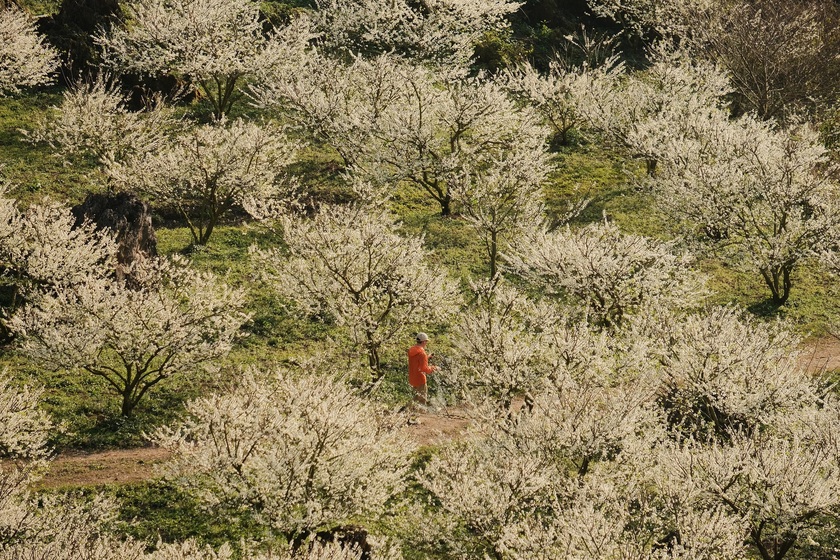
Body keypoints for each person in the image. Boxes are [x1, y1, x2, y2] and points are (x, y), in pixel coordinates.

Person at [407, 332, 437, 408]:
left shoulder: (411, 350)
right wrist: (434, 368)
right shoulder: (422, 353)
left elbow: (417, 361)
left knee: (415, 399)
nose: (426, 343)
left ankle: (409, 414)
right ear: (423, 342)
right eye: (426, 341)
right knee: (421, 401)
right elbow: (425, 369)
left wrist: (427, 357)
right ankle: (420, 417)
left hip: (413, 378)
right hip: (420, 379)